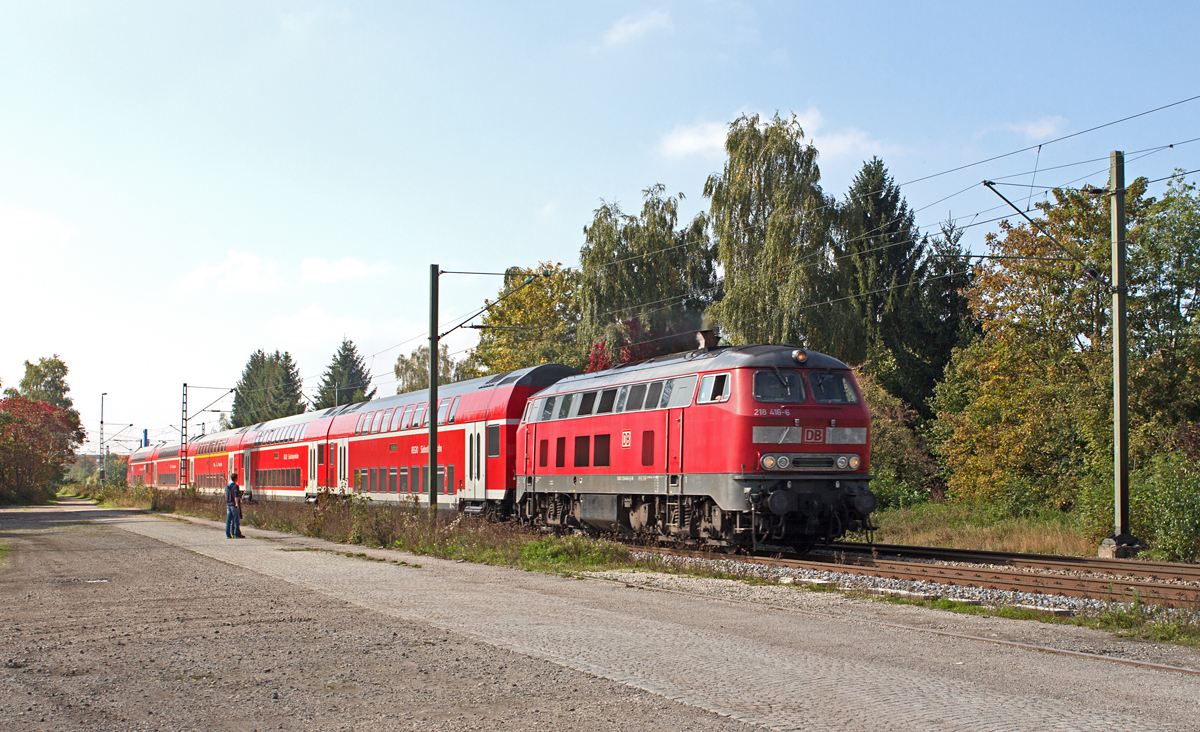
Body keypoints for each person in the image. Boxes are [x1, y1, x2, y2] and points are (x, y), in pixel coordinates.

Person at [225, 473, 245, 539]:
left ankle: (228, 534)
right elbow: (236, 496)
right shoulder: (235, 486)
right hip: (234, 505)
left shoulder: (228, 486)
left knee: (228, 520)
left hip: (228, 504)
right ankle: (237, 534)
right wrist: (237, 503)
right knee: (236, 520)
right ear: (236, 478)